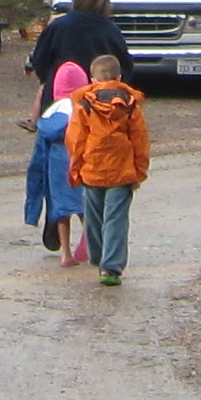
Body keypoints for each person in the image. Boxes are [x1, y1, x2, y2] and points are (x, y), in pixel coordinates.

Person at [66, 52, 150, 289]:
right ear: (120, 77)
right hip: (122, 171)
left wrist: (75, 169)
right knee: (115, 218)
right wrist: (139, 171)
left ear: (92, 80)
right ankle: (110, 267)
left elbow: (75, 139)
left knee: (93, 217)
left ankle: (97, 255)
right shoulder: (130, 106)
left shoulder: (84, 105)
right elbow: (140, 140)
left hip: (92, 169)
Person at [21, 61, 94, 267]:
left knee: (61, 211)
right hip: (80, 164)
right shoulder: (85, 108)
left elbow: (38, 157)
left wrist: (33, 200)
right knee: (85, 208)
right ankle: (89, 242)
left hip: (56, 167)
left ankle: (66, 254)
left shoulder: (50, 114)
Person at [26, 0, 132, 117]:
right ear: (105, 3)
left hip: (59, 98)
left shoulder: (58, 26)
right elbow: (125, 65)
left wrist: (50, 79)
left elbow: (40, 59)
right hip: (101, 102)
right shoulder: (111, 30)